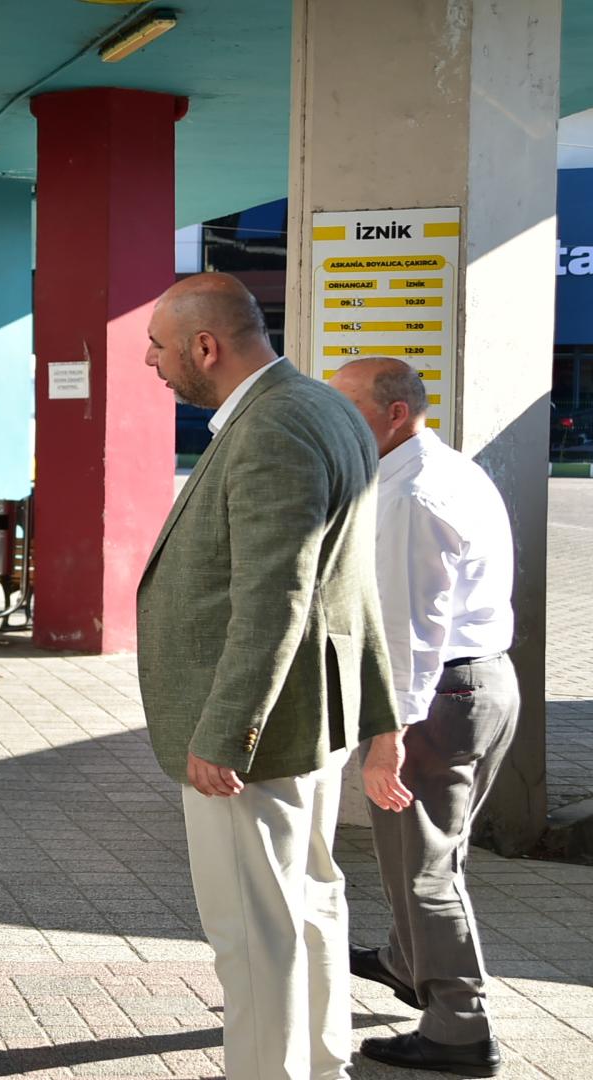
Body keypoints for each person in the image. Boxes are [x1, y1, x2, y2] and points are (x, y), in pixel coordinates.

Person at [135, 273, 401, 1080]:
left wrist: (226, 731)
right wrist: (380, 716)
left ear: (205, 347)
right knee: (309, 902)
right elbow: (346, 583)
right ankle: (320, 1065)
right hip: (306, 715)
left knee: (253, 932)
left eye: (158, 346)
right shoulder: (321, 406)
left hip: (259, 732)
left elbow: (275, 593)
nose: (150, 361)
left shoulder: (273, 425)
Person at [328, 358, 518, 1078]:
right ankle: (408, 962)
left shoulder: (411, 495)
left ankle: (459, 1028)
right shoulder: (445, 468)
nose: (335, 419)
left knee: (425, 872)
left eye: (347, 405)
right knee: (434, 855)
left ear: (395, 413)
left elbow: (409, 632)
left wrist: (389, 738)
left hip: (437, 700)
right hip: (477, 685)